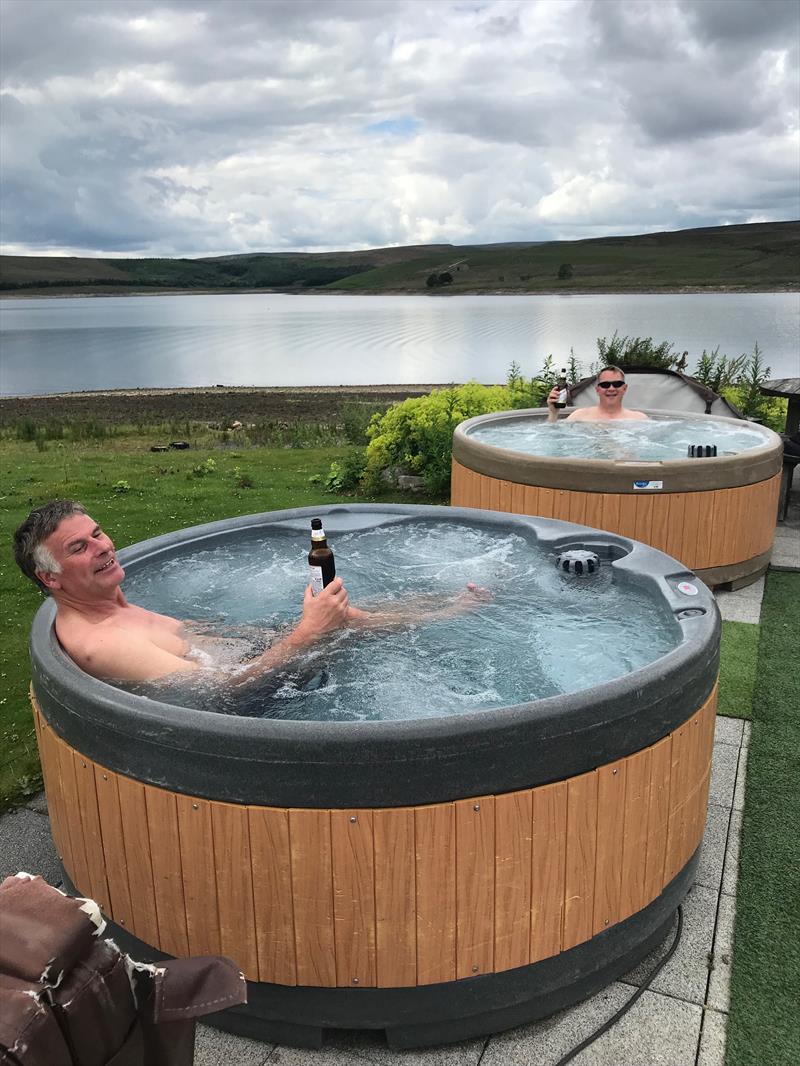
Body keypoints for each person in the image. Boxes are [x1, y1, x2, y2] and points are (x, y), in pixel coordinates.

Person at [13, 501, 486, 686]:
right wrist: (304, 634)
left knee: (348, 615)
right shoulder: (102, 641)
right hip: (257, 695)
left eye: (98, 533)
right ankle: (453, 613)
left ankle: (445, 609)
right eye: (80, 547)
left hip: (250, 656)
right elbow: (219, 696)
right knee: (340, 624)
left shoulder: (108, 603)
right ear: (50, 578)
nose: (104, 547)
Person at [546, 365, 648, 422]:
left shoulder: (639, 419)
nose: (611, 389)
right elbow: (553, 437)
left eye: (617, 384)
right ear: (597, 389)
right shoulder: (579, 416)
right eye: (605, 385)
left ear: (624, 388)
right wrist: (553, 413)